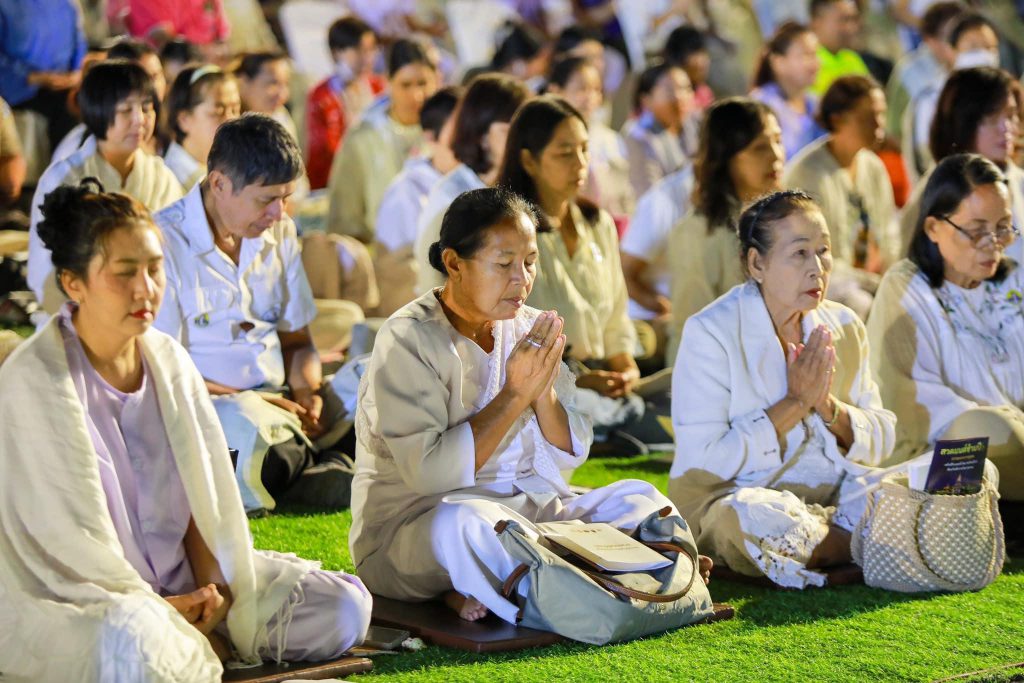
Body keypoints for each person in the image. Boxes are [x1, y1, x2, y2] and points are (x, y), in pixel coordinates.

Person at [0, 180, 370, 681]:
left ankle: (189, 642)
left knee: (344, 606)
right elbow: (66, 554)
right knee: (134, 643)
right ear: (73, 283)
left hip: (188, 580)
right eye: (124, 273)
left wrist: (213, 598)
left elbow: (207, 498)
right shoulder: (32, 381)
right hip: (93, 599)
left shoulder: (168, 360)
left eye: (154, 269)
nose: (145, 289)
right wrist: (161, 612)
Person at [350, 186, 709, 623]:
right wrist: (515, 393)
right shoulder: (408, 339)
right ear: (453, 264)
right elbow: (428, 475)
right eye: (504, 264)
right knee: (470, 526)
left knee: (642, 500)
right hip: (417, 529)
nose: (522, 279)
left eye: (530, 262)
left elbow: (564, 462)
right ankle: (642, 571)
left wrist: (543, 394)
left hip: (529, 516)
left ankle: (542, 577)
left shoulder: (527, 327)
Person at [670, 190, 898, 588]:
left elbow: (883, 439)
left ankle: (833, 540)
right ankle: (870, 539)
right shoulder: (711, 332)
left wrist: (826, 406)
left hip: (837, 497)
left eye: (824, 251)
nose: (818, 268)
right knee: (744, 518)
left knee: (954, 475)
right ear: (757, 263)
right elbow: (706, 460)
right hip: (739, 499)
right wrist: (794, 403)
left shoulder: (843, 325)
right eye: (800, 253)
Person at [153, 114, 354, 512]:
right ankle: (316, 467)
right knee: (247, 428)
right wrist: (254, 400)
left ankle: (307, 460)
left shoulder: (278, 232)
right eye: (266, 200)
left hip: (282, 404)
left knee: (372, 380)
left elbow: (298, 341)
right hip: (214, 407)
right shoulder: (164, 242)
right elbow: (162, 372)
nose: (278, 214)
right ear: (219, 184)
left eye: (285, 198)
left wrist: (307, 393)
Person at [500, 96, 671, 448]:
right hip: (546, 378)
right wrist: (579, 379)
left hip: (599, 373)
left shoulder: (598, 223)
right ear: (529, 160)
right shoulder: (510, 232)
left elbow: (615, 313)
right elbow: (508, 333)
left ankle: (620, 419)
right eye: (565, 153)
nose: (580, 164)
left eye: (584, 150)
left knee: (678, 390)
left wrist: (624, 366)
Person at [867, 154, 1023, 499]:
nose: (993, 243)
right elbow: (917, 411)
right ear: (934, 228)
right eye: (977, 231)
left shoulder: (1012, 277)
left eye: (1002, 227)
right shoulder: (906, 289)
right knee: (983, 429)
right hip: (941, 463)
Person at [29, 60, 183, 315]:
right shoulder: (65, 178)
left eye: (147, 109)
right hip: (81, 314)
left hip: (150, 309)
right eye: (125, 111)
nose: (140, 120)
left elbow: (176, 252)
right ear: (98, 113)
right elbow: (45, 267)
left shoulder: (161, 176)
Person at [668, 98, 784, 358]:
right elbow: (694, 328)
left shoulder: (780, 221)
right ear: (727, 158)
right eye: (759, 148)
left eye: (778, 141)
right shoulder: (697, 233)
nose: (776, 156)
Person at [784, 75, 896, 319]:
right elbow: (810, 256)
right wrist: (874, 282)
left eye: (881, 115)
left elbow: (889, 233)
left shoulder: (873, 166)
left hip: (872, 278)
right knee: (860, 304)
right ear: (838, 119)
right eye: (868, 118)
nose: (878, 125)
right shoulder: (807, 173)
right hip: (824, 281)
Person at [414, 74, 531, 294]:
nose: (523, 141)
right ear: (482, 135)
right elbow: (434, 289)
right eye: (511, 130)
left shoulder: (521, 188)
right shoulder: (451, 197)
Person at [898, 67, 1024, 262]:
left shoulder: (1019, 182)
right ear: (964, 122)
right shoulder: (934, 194)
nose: (1006, 128)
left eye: (1010, 116)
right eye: (991, 119)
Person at [327, 38, 438, 243]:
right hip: (382, 253)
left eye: (423, 83)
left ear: (436, 80)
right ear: (388, 82)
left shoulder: (448, 131)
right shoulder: (364, 137)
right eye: (405, 85)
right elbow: (345, 216)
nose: (417, 96)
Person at [373, 86, 462, 317]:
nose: (468, 142)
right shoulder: (406, 192)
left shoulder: (473, 181)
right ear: (431, 137)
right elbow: (398, 278)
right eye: (459, 133)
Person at [908, 12, 1003, 179]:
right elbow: (925, 157)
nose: (984, 54)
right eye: (974, 47)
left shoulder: (1006, 97)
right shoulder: (932, 99)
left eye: (990, 48)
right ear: (951, 51)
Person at [546, 56, 635, 227]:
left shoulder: (610, 139)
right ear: (555, 91)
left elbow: (626, 194)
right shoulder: (547, 141)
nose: (591, 97)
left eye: (596, 89)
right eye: (582, 89)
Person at [620, 164, 694, 362]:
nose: (776, 156)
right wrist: (665, 308)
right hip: (650, 319)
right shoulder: (665, 201)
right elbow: (624, 274)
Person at [884, 2, 965, 178]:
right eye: (950, 37)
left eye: (961, 35)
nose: (957, 43)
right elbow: (893, 132)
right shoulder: (908, 73)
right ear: (930, 40)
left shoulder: (970, 66)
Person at [304, 16, 386, 190]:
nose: (368, 58)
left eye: (371, 49)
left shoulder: (378, 87)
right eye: (358, 50)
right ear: (336, 52)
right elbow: (325, 153)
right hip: (338, 182)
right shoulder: (321, 98)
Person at [0, 0, 87, 151]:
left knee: (95, 98)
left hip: (65, 81)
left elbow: (79, 41)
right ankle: (63, 168)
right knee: (67, 107)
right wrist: (34, 77)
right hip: (21, 87)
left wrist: (76, 73)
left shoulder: (66, 3)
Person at [750, 21, 826, 161]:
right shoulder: (761, 105)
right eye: (806, 55)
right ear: (778, 62)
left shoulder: (816, 103)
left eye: (816, 54)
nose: (816, 63)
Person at [621, 61, 695, 197]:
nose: (680, 96)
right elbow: (649, 194)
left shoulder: (694, 126)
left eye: (686, 88)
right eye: (670, 89)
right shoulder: (639, 137)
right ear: (646, 100)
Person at [164, 65, 242, 190]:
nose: (231, 120)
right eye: (217, 113)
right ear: (184, 120)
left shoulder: (235, 166)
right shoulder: (168, 179)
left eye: (235, 110)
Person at [808, 0, 870, 96]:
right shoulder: (806, 63)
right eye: (844, 19)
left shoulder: (853, 59)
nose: (852, 28)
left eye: (854, 19)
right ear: (817, 22)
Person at [662, 25, 714, 112]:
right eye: (696, 53)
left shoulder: (704, 93)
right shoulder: (663, 94)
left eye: (704, 53)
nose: (703, 61)